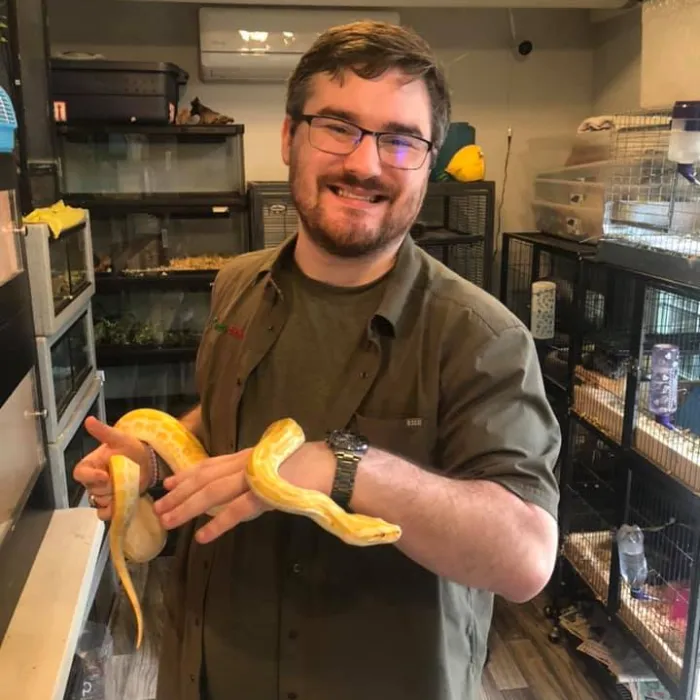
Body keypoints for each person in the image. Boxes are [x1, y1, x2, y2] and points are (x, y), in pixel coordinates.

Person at [74, 19, 561, 700]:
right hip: (212, 667)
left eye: (400, 140)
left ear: (429, 160)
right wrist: (155, 454)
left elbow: (526, 555)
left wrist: (341, 467)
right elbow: (223, 419)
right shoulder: (237, 285)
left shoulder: (481, 337)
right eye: (338, 126)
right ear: (288, 138)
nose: (365, 164)